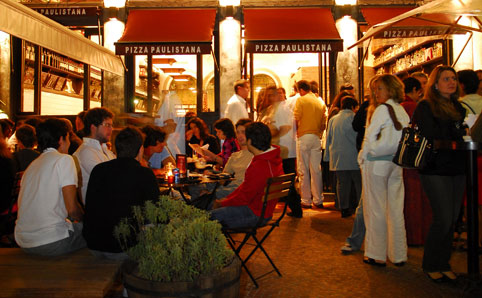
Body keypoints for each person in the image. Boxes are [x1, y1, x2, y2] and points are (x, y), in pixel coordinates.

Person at [412, 65, 466, 282]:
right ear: (435, 84)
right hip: (434, 167)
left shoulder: (459, 107)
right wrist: (458, 131)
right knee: (443, 218)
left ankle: (444, 263)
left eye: (453, 78)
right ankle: (431, 263)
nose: (451, 82)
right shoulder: (425, 106)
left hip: (458, 166)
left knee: (452, 219)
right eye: (446, 79)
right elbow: (431, 134)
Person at [83, 127, 160, 260]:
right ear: (141, 149)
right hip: (126, 249)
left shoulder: (98, 170)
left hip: (94, 245)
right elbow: (155, 213)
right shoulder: (145, 174)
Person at [358, 74, 409, 267]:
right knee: (396, 208)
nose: (376, 92)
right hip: (396, 163)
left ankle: (376, 253)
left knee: (375, 208)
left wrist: (363, 156)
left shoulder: (382, 109)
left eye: (379, 88)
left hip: (377, 163)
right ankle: (398, 253)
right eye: (375, 89)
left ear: (390, 88)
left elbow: (369, 138)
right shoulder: (401, 110)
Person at [14, 118, 85, 256]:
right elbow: (72, 210)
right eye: (68, 138)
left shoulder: (33, 165)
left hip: (23, 240)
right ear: (61, 139)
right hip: (51, 241)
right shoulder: (64, 159)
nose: (69, 143)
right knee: (98, 231)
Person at [210, 122, 284, 228]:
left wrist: (222, 203)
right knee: (211, 207)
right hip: (262, 211)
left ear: (250, 141)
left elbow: (244, 197)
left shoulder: (260, 165)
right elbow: (244, 190)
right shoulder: (272, 158)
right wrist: (225, 201)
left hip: (255, 214)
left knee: (209, 216)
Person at [324, 96, 361, 218]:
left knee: (342, 183)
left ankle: (343, 208)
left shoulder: (333, 119)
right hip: (354, 155)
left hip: (338, 156)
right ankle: (360, 207)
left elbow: (329, 139)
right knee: (358, 182)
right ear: (352, 107)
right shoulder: (355, 118)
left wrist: (327, 157)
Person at [293, 80, 326, 209]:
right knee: (316, 170)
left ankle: (306, 200)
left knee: (303, 170)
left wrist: (297, 133)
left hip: (304, 136)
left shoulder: (301, 100)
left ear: (301, 90)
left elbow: (296, 118)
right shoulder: (320, 102)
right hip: (316, 138)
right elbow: (323, 123)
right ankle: (318, 199)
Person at [73, 107, 116, 204]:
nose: (111, 129)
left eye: (111, 125)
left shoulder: (105, 150)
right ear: (93, 127)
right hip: (98, 209)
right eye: (107, 125)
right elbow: (109, 180)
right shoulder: (86, 152)